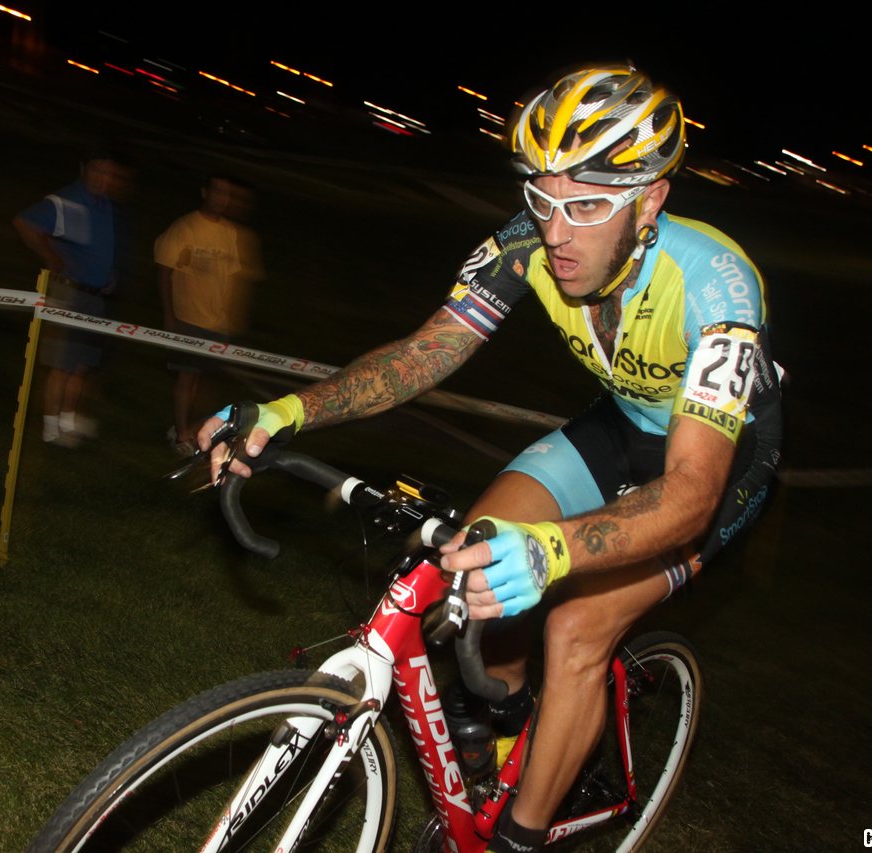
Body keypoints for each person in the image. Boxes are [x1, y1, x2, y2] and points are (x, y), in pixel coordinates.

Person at [203, 64, 781, 851]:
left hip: (715, 463)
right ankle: (507, 736)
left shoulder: (718, 285)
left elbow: (688, 492)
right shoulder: (524, 246)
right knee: (477, 549)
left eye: (585, 206)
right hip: (623, 424)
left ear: (649, 201)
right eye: (542, 200)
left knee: (576, 625)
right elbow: (423, 354)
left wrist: (555, 549)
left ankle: (520, 836)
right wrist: (287, 411)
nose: (556, 231)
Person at [14, 150, 132, 447]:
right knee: (61, 364)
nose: (103, 179)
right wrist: (51, 257)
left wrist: (110, 275)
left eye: (109, 174)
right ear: (84, 168)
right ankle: (50, 427)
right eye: (97, 171)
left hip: (95, 296)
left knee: (81, 365)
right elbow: (24, 223)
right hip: (69, 292)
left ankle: (67, 422)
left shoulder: (106, 206)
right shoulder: (66, 200)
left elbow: (100, 248)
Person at [155, 174, 262, 455]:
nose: (222, 199)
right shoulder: (186, 226)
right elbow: (164, 270)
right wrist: (169, 315)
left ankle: (187, 427)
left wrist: (231, 316)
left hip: (217, 324)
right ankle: (180, 437)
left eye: (227, 194)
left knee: (204, 381)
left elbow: (232, 278)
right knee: (186, 378)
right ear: (205, 192)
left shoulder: (229, 232)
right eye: (217, 192)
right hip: (189, 318)